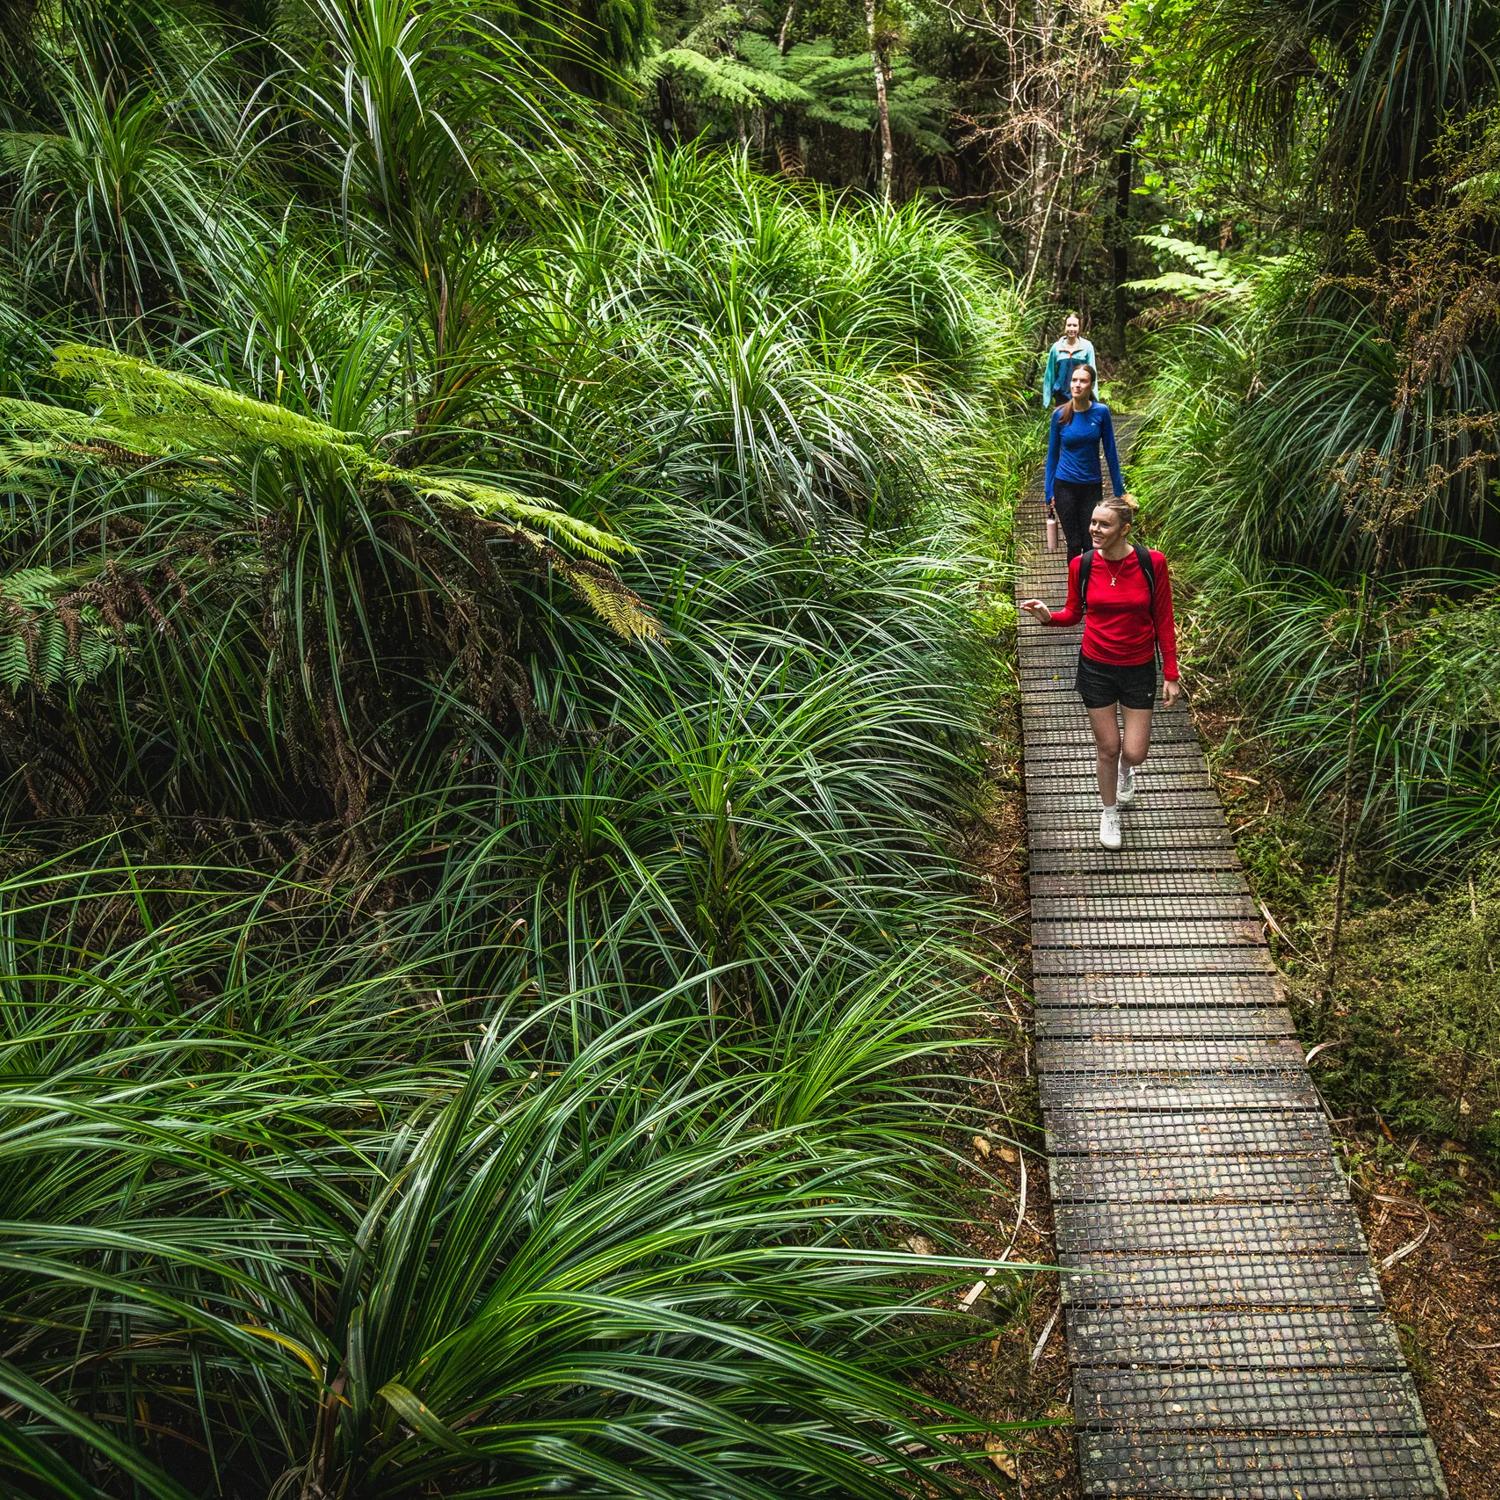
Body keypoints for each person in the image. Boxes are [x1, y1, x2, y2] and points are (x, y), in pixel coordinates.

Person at [1019, 496, 1181, 851]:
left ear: (1124, 529)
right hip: (1096, 665)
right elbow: (1074, 613)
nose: (1094, 529)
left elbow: (1164, 619)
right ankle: (1109, 812)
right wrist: (1048, 616)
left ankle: (1128, 771)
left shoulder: (1152, 563)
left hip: (1138, 667)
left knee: (1134, 752)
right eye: (1093, 522)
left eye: (1103, 524)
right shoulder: (1083, 565)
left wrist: (1171, 672)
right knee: (1108, 747)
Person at [1044, 363, 1125, 561]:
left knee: (1091, 543)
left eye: (1083, 381)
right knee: (1074, 543)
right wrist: (1049, 492)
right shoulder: (1060, 415)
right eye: (1074, 380)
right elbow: (1052, 456)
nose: (1077, 385)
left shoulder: (1101, 412)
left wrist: (1119, 492)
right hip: (1065, 487)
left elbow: (1111, 452)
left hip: (1091, 486)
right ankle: (1075, 590)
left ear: (1091, 386)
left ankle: (1090, 587)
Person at [1041, 313, 1096, 408]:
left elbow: (1092, 373)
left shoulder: (1087, 347)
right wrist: (1047, 400)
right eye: (1069, 325)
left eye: (1075, 325)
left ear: (1079, 328)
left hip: (1081, 395)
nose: (1071, 328)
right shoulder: (1056, 347)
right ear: (1065, 327)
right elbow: (1050, 374)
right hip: (1061, 397)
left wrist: (1094, 397)